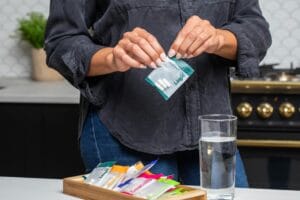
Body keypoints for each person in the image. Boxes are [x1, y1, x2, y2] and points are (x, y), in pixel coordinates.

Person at [45, 0, 271, 187]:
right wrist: (112, 57)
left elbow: (255, 28)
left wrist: (219, 38)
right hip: (125, 129)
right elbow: (61, 41)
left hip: (210, 134)